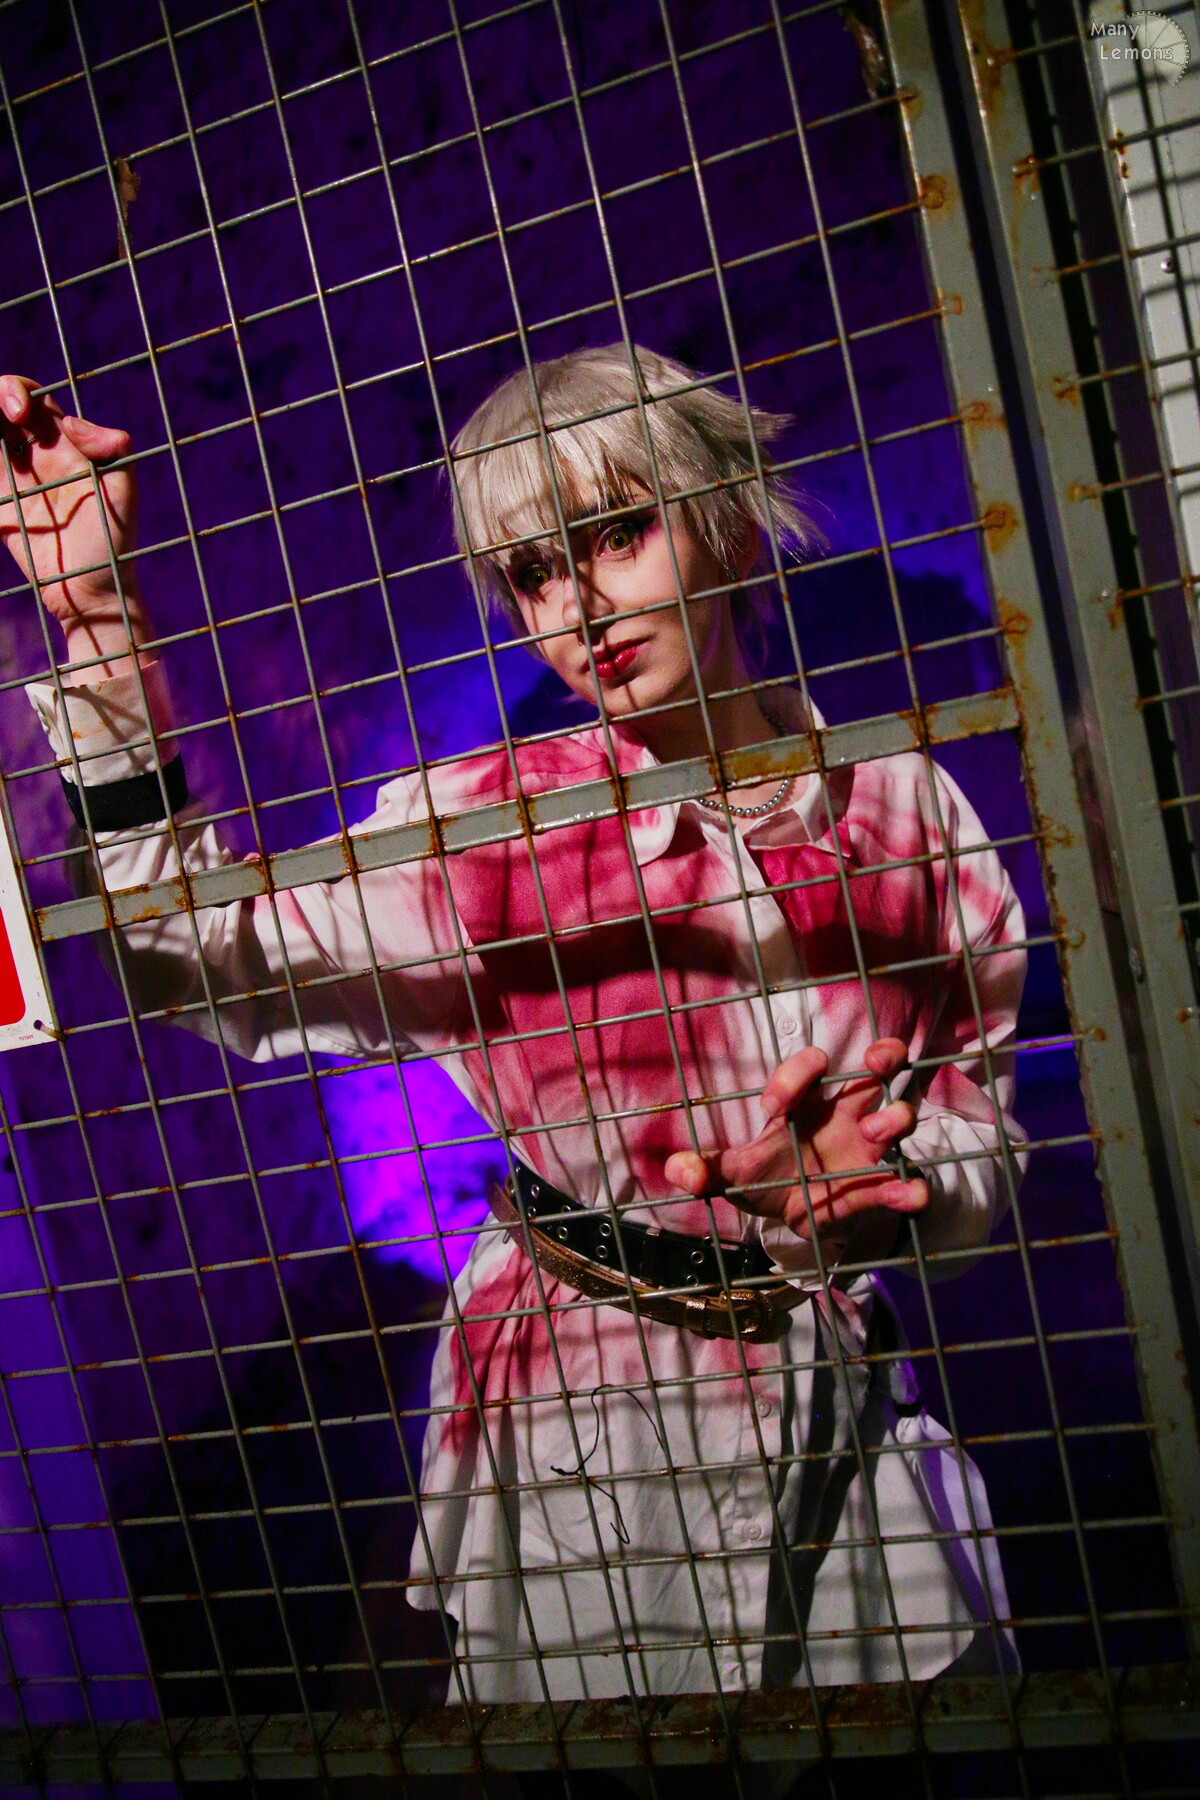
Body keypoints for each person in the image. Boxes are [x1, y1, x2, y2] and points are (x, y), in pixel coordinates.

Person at [0, 346, 1025, 1726]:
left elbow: (980, 1129)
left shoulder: (906, 807)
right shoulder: (485, 826)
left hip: (839, 1435)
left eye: (617, 534)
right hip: (581, 1449)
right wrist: (97, 618)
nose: (579, 606)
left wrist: (886, 1190)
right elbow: (194, 947)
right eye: (535, 574)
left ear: (726, 520)